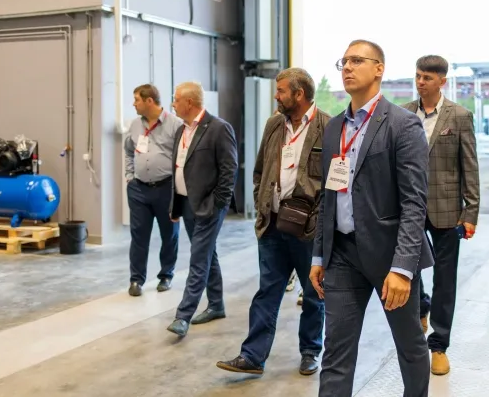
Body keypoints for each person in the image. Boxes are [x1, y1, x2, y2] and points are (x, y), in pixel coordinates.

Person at [310, 39, 434, 397]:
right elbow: (328, 197)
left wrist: (403, 268)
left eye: (357, 60)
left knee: (410, 345)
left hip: (389, 255)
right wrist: (319, 255)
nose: (347, 67)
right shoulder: (334, 128)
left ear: (379, 69)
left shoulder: (403, 125)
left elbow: (414, 203)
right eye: (344, 62)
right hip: (342, 255)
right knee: (336, 350)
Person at [217, 68, 327, 375]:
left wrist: (319, 221)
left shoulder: (328, 126)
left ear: (299, 94)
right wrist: (261, 202)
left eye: (281, 91)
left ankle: (310, 351)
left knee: (313, 293)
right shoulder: (274, 124)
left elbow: (335, 181)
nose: (276, 96)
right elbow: (260, 170)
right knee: (267, 291)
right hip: (272, 225)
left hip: (308, 229)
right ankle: (252, 356)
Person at [401, 55, 480, 376]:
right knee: (408, 270)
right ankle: (421, 307)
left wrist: (471, 211)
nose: (421, 82)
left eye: (428, 78)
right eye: (418, 76)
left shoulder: (459, 116)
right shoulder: (403, 113)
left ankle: (439, 345)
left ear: (442, 81)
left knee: (445, 278)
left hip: (447, 210)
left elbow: (470, 166)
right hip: (408, 208)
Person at [165, 82, 239, 337]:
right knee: (207, 253)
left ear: (189, 102)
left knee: (198, 257)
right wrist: (174, 204)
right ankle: (216, 305)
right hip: (186, 203)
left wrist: (218, 204)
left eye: (176, 99)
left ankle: (183, 316)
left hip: (209, 205)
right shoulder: (180, 130)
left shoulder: (218, 128)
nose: (173, 104)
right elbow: (179, 168)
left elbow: (229, 169)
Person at [124, 84, 181, 296]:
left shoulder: (175, 124)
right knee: (138, 236)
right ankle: (136, 280)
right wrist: (130, 176)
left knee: (169, 235)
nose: (133, 104)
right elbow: (128, 151)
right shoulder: (135, 125)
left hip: (166, 188)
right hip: (139, 189)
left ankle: (166, 275)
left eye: (136, 99)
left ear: (149, 101)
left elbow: (183, 156)